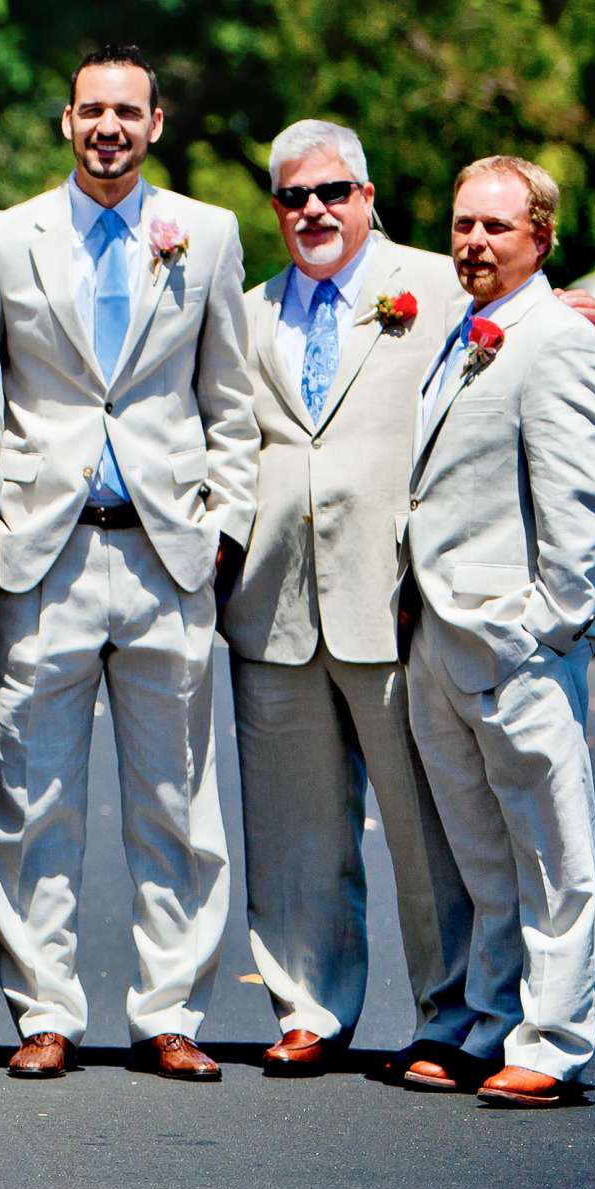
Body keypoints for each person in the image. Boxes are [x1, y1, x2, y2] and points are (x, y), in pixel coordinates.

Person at [0, 45, 259, 1081]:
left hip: (164, 553)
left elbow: (231, 397)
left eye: (127, 112)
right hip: (43, 552)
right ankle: (44, 1011)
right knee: (32, 797)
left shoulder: (207, 235)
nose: (109, 128)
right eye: (92, 110)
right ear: (65, 120)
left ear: (156, 123)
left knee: (175, 800)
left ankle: (170, 1011)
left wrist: (223, 526)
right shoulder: (3, 240)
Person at [221, 119, 478, 1077]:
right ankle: (308, 1007)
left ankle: (450, 1015)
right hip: (274, 605)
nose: (314, 210)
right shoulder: (246, 314)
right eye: (294, 197)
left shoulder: (444, 289)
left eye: (332, 192)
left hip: (395, 599)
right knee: (292, 831)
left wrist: (565, 306)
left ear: (368, 197)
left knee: (424, 829)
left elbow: (516, 338)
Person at [401, 155, 595, 1107]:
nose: (474, 241)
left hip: (515, 644)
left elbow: (582, 508)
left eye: (496, 226)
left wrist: (548, 630)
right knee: (482, 858)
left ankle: (554, 1034)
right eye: (462, 224)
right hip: (438, 641)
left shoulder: (557, 341)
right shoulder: (464, 329)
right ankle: (490, 1022)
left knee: (551, 852)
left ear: (541, 234)